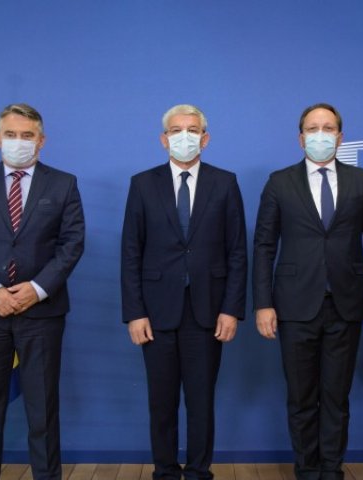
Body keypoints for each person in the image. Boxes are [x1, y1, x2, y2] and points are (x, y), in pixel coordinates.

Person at [253, 103, 363, 480]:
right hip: (294, 306)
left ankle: (331, 470)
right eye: (312, 129)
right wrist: (263, 304)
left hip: (346, 305)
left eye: (328, 128)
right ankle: (306, 469)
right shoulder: (279, 182)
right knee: (301, 398)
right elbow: (264, 246)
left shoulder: (361, 181)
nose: (320, 135)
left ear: (340, 137)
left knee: (336, 397)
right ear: (301, 139)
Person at [0, 103, 85, 480]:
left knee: (43, 407)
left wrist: (37, 289)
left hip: (42, 311)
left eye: (27, 135)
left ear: (41, 141)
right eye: (11, 134)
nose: (19, 141)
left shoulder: (63, 184)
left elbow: (72, 243)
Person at [120, 104, 247, 480]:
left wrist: (231, 309)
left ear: (205, 139)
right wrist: (135, 312)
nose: (184, 137)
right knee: (161, 402)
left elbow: (237, 252)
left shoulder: (225, 183)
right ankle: (164, 471)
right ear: (164, 139)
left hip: (208, 311)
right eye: (176, 131)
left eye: (192, 130)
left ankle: (198, 472)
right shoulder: (143, 184)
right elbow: (131, 252)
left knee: (201, 401)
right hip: (156, 312)